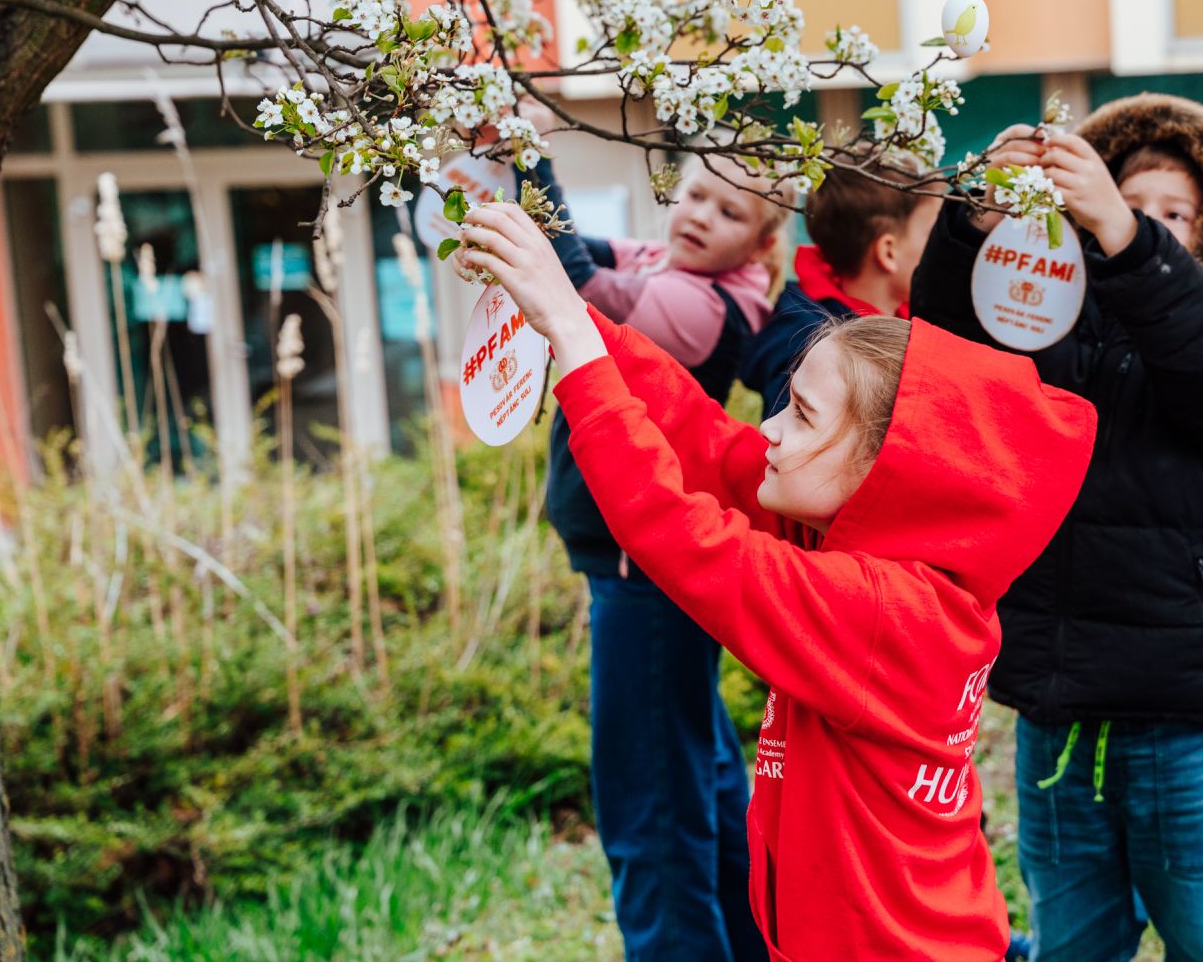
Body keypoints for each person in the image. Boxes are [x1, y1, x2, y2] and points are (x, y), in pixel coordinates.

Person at [449, 200, 1096, 960]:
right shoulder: (880, 552)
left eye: (803, 416)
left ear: (886, 473)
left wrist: (572, 339)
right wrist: (574, 319)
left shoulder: (882, 611)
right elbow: (710, 444)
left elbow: (683, 537)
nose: (772, 427)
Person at [911, 94, 1203, 961]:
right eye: (1124, 201)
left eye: (1173, 215)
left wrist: (1129, 238)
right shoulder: (1045, 329)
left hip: (1183, 717)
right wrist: (977, 221)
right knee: (1073, 939)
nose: (1143, 222)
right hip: (1060, 710)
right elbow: (945, 345)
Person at [520, 140, 787, 960]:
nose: (700, 216)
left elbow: (569, 283)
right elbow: (581, 247)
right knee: (698, 778)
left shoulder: (700, 307)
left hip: (644, 576)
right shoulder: (670, 268)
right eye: (696, 195)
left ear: (762, 243)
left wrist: (527, 153)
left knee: (651, 809)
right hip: (645, 572)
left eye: (729, 211)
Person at [740, 161, 940, 418]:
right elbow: (794, 436)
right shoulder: (811, 344)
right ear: (888, 251)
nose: (943, 248)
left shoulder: (912, 316)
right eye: (932, 235)